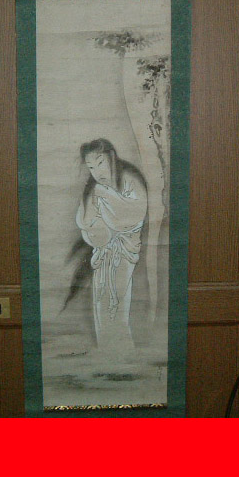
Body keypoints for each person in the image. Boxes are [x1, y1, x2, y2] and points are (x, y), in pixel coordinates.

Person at [74, 139, 148, 348]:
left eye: (100, 163)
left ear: (112, 158)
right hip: (104, 253)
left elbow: (132, 215)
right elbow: (85, 222)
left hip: (123, 251)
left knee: (117, 301)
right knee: (102, 302)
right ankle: (108, 352)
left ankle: (121, 352)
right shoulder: (94, 187)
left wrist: (106, 194)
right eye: (91, 167)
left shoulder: (129, 178)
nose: (97, 172)